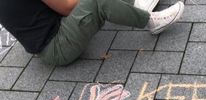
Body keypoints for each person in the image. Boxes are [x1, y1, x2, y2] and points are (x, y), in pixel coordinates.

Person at [0, 0, 184, 66]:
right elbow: (67, 8)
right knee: (97, 1)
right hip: (56, 47)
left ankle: (135, 5)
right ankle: (151, 21)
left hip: (50, 36)